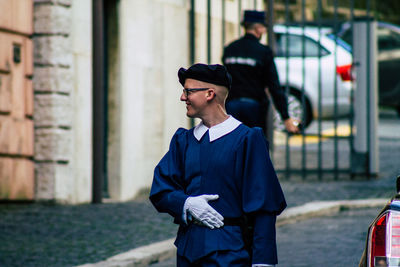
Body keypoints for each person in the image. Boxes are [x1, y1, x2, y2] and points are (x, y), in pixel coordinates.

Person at [149, 63, 286, 267]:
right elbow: (161, 191)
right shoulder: (183, 141)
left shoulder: (248, 140)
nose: (182, 97)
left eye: (188, 91)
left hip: (232, 254)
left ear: (209, 94)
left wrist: (263, 262)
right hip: (188, 253)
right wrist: (186, 203)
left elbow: (263, 207)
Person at [222, 10, 299, 134]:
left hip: (231, 106)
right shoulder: (263, 52)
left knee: (233, 147)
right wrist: (285, 117)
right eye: (263, 28)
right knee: (255, 148)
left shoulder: (230, 49)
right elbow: (274, 86)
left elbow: (223, 80)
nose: (264, 31)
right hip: (254, 107)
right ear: (258, 28)